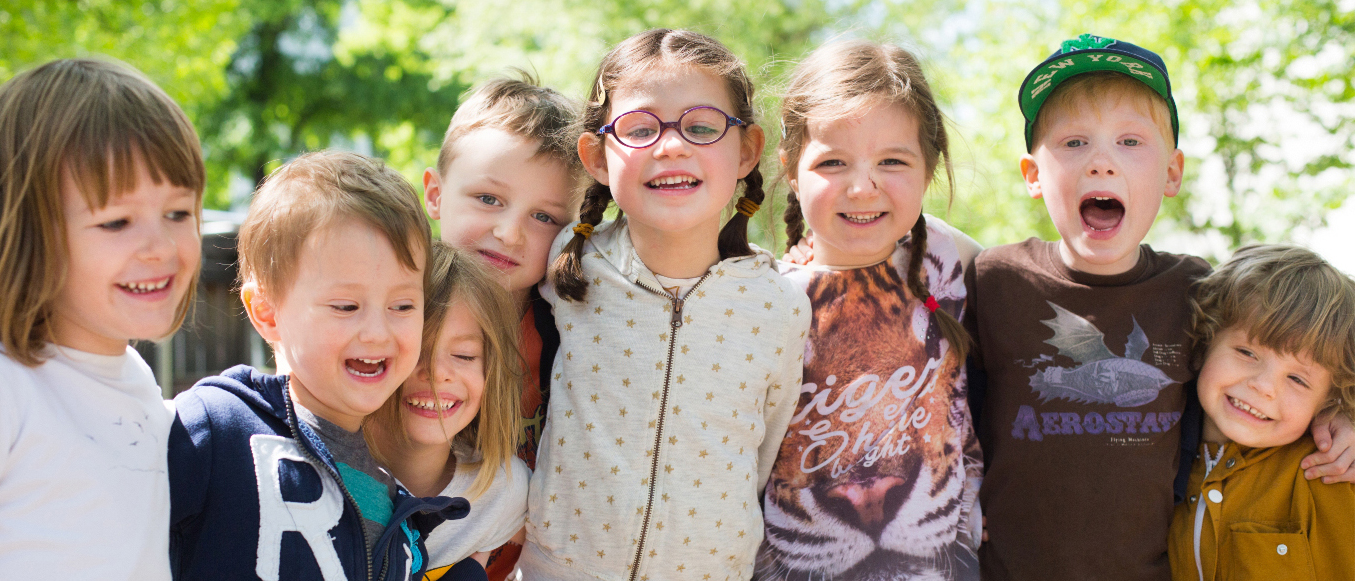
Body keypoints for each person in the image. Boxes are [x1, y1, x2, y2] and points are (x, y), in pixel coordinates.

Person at [965, 34, 1353, 580]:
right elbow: (935, 394)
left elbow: (1285, 348)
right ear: (1033, 175)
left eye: (1129, 142)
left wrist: (1340, 411)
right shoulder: (995, 279)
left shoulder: (1193, 288)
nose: (1101, 162)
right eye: (1074, 143)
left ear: (1172, 173)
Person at [520, 28, 810, 580]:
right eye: (640, 129)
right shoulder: (569, 264)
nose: (672, 145)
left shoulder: (778, 304)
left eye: (702, 127)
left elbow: (764, 451)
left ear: (747, 151)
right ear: (598, 158)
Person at [0, 58, 204, 580]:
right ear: (25, 232)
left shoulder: (135, 383)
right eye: (116, 222)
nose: (160, 247)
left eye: (178, 212)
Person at [167, 151, 471, 580]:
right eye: (346, 306)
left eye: (402, 305)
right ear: (268, 312)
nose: (377, 333)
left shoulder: (398, 510)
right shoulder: (216, 428)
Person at [755, 39, 984, 580]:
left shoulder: (953, 260)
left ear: (929, 167)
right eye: (833, 162)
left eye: (892, 161)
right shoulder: (762, 295)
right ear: (790, 169)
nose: (863, 187)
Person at [419, 73, 579, 578]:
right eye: (488, 199)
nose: (509, 232)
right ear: (435, 193)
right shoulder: (398, 311)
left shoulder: (572, 328)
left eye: (544, 217)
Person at [1169, 244, 1355, 581]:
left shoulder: (1332, 474)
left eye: (1298, 379)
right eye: (1246, 352)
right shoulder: (1158, 458)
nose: (1265, 386)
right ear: (1204, 345)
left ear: (1328, 402)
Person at [366, 242, 527, 578]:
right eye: (417, 349)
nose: (438, 372)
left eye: (465, 355)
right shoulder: (323, 476)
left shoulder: (502, 491)